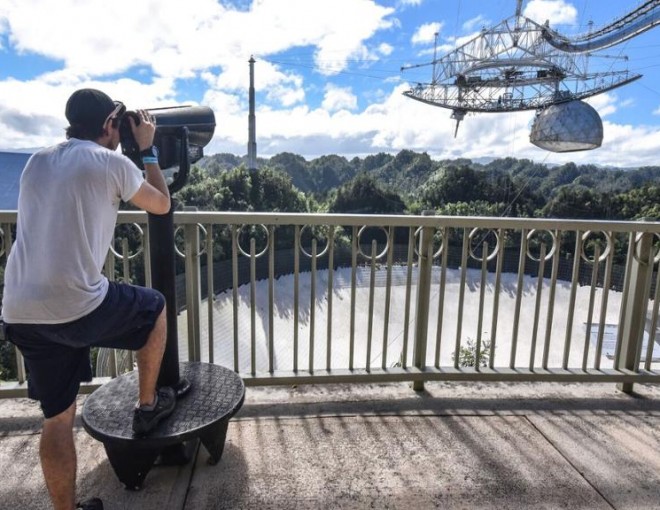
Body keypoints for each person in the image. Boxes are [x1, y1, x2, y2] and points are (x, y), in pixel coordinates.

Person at [1, 88, 177, 510]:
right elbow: (161, 204)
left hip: (21, 308)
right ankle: (148, 404)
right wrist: (148, 152)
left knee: (57, 417)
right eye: (120, 124)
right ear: (109, 124)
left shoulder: (36, 160)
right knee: (153, 307)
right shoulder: (110, 162)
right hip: (78, 304)